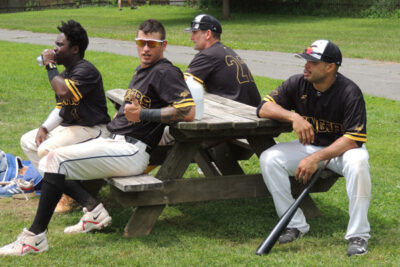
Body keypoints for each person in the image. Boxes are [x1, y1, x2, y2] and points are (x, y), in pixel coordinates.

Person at [0, 19, 195, 256]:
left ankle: (34, 239)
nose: (145, 48)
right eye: (141, 42)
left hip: (131, 151)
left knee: (54, 160)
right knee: (50, 159)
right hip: (115, 141)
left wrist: (143, 114)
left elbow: (188, 110)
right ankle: (92, 212)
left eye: (151, 44)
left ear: (163, 45)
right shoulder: (144, 70)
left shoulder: (165, 71)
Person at [257, 40, 371, 256]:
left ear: (330, 67)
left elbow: (354, 139)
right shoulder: (297, 83)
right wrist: (293, 116)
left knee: (359, 163)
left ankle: (359, 235)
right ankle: (294, 223)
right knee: (269, 159)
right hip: (310, 147)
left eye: (313, 61)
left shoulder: (349, 91)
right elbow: (263, 107)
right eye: (305, 60)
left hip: (342, 151)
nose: (306, 65)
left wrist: (315, 158)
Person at [20, 20, 111, 212]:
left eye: (60, 45)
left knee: (46, 150)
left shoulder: (86, 71)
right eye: (55, 45)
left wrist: (50, 66)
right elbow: (62, 107)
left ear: (75, 49)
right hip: (74, 127)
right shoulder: (65, 74)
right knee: (28, 141)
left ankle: (71, 196)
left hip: (94, 129)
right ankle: (61, 189)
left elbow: (64, 92)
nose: (54, 49)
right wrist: (44, 128)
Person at [184, 14, 261, 107]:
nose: (191, 38)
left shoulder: (208, 55)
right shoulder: (225, 50)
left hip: (237, 113)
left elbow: (183, 86)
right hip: (251, 110)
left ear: (208, 34)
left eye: (195, 32)